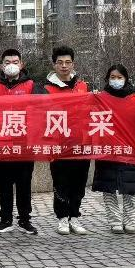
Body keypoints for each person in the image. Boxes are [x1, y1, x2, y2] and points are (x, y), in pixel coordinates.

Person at [92, 65, 135, 234]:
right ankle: (114, 221)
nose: (116, 80)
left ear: (126, 79)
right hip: (107, 151)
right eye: (113, 77)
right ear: (107, 79)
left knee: (130, 189)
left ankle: (131, 220)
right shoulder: (100, 99)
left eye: (120, 77)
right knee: (108, 189)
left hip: (130, 150)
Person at [0, 49, 44, 235]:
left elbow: (42, 110)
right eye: (7, 62)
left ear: (22, 64)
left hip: (24, 144)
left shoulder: (32, 85)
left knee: (24, 184)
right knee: (3, 183)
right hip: (1, 144)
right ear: (1, 66)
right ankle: (5, 219)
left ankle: (25, 219)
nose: (11, 65)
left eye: (15, 61)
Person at [44, 45, 91, 236]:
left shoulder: (83, 86)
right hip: (59, 144)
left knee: (79, 182)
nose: (64, 66)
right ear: (54, 64)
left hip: (81, 142)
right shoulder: (46, 88)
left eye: (68, 62)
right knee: (61, 182)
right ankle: (62, 217)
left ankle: (75, 216)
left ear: (73, 64)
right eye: (60, 62)